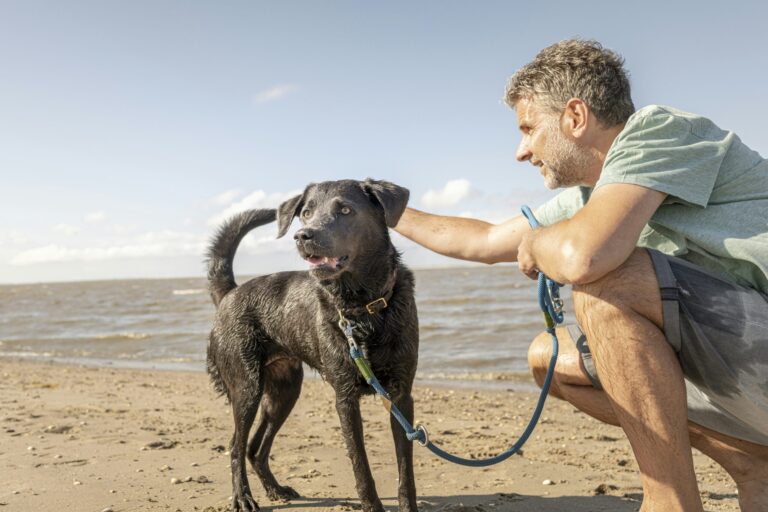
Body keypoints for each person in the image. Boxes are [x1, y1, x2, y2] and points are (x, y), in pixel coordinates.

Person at [393, 39, 768, 512]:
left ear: (575, 116)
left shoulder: (659, 131)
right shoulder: (595, 197)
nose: (521, 151)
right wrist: (384, 209)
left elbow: (583, 258)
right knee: (550, 359)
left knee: (607, 285)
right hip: (746, 368)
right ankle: (751, 464)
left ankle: (669, 504)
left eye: (529, 128)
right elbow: (483, 241)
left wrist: (539, 243)